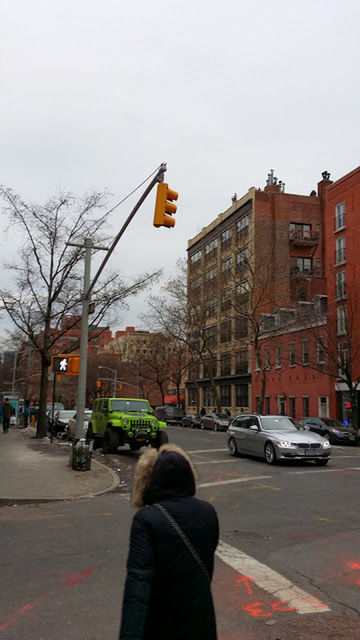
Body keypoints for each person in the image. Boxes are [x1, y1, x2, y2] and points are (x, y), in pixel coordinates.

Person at [119, 444, 219, 640]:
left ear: (151, 480)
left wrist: (129, 634)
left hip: (162, 623)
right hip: (202, 618)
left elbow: (138, 583)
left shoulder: (146, 519)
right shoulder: (208, 511)